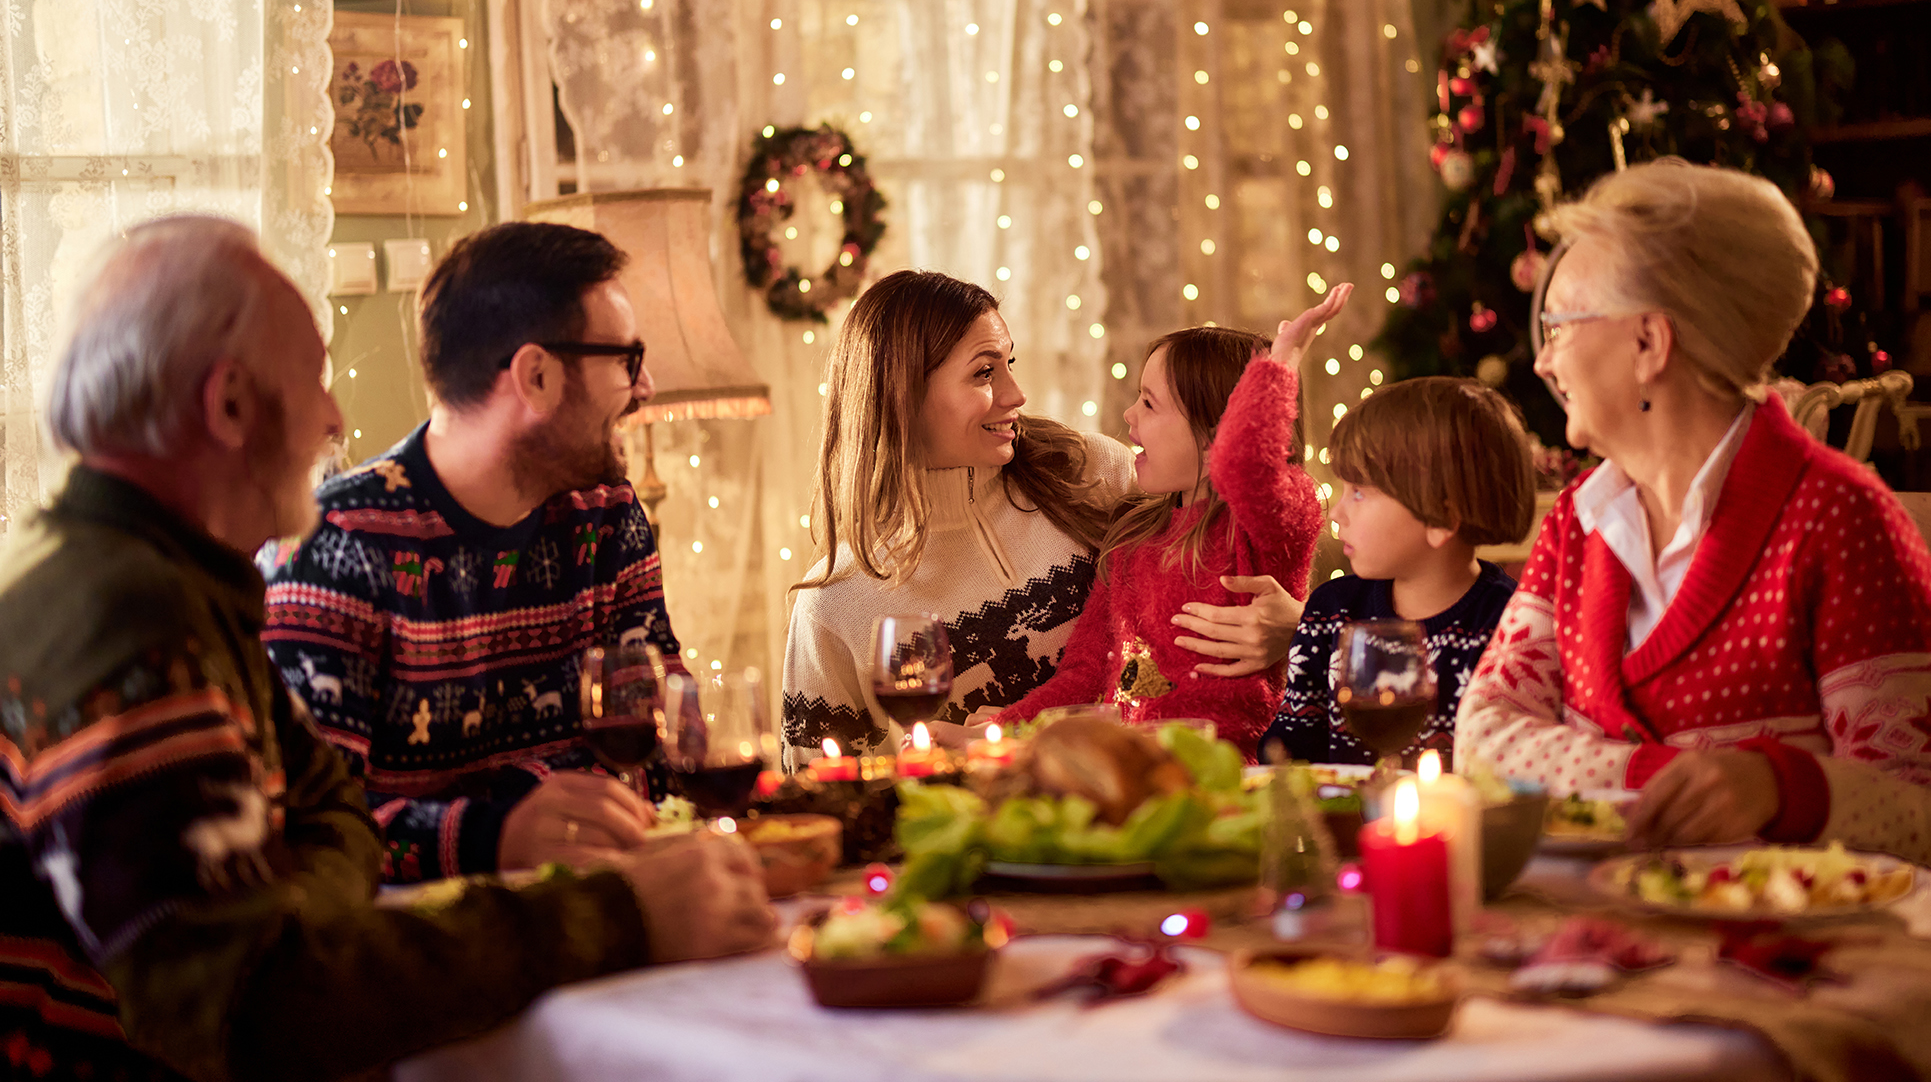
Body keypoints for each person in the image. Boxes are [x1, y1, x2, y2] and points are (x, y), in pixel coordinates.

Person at [0, 217, 773, 1082]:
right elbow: (261, 1005)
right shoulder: (125, 619)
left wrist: (303, 889)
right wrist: (612, 914)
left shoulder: (171, 585)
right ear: (227, 405)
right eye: (315, 383)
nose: (335, 420)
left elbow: (322, 823)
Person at [1455, 159, 1931, 896]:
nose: (1545, 359)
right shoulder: (1580, 523)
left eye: (1559, 327)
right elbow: (1483, 737)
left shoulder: (1840, 520)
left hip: (1807, 963)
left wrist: (1779, 788)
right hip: (1625, 930)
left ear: (1649, 343)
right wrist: (1665, 779)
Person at [261, 222, 682, 883]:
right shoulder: (335, 547)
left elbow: (665, 744)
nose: (646, 386)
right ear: (536, 376)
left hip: (597, 911)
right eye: (626, 361)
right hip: (414, 954)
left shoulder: (607, 515)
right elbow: (304, 831)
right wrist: (497, 834)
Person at [780, 271, 1131, 766]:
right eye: (985, 373)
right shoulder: (833, 603)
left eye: (1008, 364)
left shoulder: (1096, 473)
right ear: (903, 395)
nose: (1015, 394)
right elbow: (813, 798)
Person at [989, 286, 1352, 754]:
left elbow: (1244, 466)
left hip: (1233, 774)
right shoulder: (1131, 541)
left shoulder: (1268, 522)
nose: (1128, 414)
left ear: (1213, 434)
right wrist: (998, 729)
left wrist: (1278, 365)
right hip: (1137, 773)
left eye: (1149, 403)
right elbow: (1085, 674)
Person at [1265, 377, 1536, 766]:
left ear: (1442, 517)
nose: (1337, 513)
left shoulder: (1512, 628)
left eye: (1358, 491)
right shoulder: (1330, 613)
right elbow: (1288, 757)